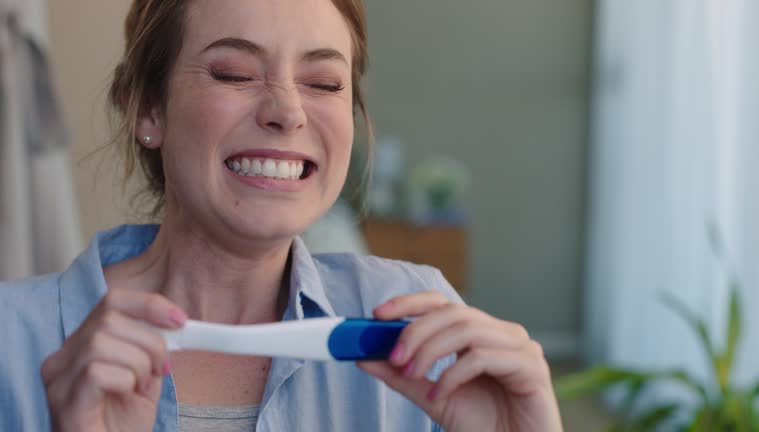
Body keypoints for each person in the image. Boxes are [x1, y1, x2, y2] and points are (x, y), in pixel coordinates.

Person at [0, 0, 564, 431]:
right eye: (234, 73)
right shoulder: (13, 343)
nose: (287, 111)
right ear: (147, 106)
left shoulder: (417, 335)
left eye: (323, 83)